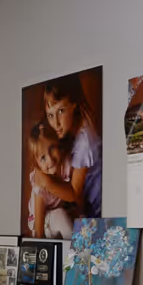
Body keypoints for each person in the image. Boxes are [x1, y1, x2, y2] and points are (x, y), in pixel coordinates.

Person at [28, 75, 101, 229]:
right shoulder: (65, 130)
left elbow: (74, 193)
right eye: (50, 115)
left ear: (74, 104)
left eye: (61, 110)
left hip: (96, 208)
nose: (55, 123)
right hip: (76, 206)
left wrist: (47, 182)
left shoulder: (84, 143)